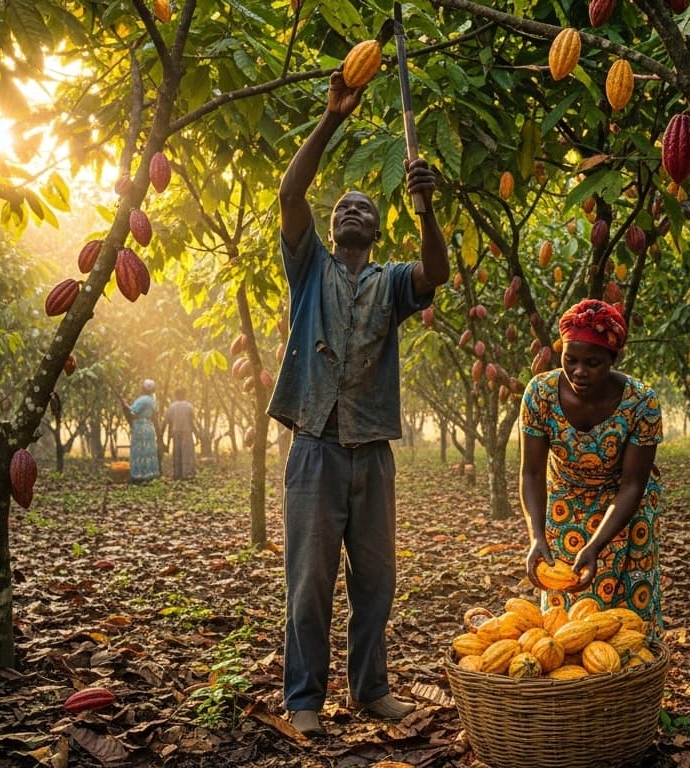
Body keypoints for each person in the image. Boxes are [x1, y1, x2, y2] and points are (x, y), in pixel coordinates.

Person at [267, 66, 448, 736]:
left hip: (370, 450)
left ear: (375, 229)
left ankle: (371, 689)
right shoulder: (308, 267)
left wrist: (427, 210)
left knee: (376, 581)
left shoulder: (390, 282)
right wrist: (333, 117)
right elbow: (290, 193)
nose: (348, 210)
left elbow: (437, 273)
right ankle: (305, 700)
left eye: (362, 208)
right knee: (309, 584)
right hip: (314, 445)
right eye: (340, 206)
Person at [521, 299, 665, 639]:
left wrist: (596, 546)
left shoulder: (642, 403)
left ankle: (629, 687)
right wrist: (536, 536)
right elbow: (531, 474)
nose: (579, 372)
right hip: (565, 501)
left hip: (626, 506)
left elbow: (632, 485)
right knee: (563, 618)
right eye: (570, 360)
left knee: (628, 614)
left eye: (593, 363)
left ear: (614, 360)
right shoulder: (540, 394)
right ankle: (571, 692)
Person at [122, 379, 160, 483]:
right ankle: (149, 474)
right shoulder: (152, 400)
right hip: (148, 425)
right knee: (148, 450)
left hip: (140, 426)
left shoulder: (142, 399)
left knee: (139, 450)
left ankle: (138, 475)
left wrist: (125, 404)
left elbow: (132, 411)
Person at [165, 388, 197, 481]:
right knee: (187, 453)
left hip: (176, 432)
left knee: (177, 453)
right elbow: (191, 422)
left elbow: (169, 422)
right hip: (187, 432)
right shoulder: (189, 406)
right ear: (184, 395)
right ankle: (187, 474)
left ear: (176, 395)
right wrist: (196, 434)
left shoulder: (172, 407)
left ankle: (177, 474)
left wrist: (169, 435)